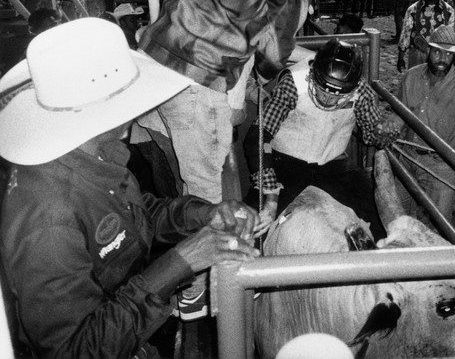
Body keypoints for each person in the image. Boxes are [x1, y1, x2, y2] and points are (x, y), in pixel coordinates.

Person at [0, 18, 261, 357]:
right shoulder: (48, 218)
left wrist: (204, 213)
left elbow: (137, 211)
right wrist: (180, 262)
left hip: (130, 328)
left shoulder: (91, 152)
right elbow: (73, 352)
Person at [136, 0, 357, 205]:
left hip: (154, 57)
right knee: (206, 197)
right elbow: (275, 44)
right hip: (198, 77)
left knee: (178, 178)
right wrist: (270, 79)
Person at [244, 39, 398, 241]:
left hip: (332, 164)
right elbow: (258, 135)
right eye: (323, 90)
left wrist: (382, 132)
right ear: (314, 75)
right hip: (286, 163)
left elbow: (372, 135)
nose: (328, 100)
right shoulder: (294, 83)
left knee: (378, 218)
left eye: (337, 95)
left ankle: (385, 265)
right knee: (253, 226)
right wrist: (271, 196)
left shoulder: (361, 91)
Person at [397, 27, 455, 222]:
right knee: (400, 217)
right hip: (408, 156)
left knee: (439, 224)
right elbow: (399, 114)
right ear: (428, 51)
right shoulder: (410, 77)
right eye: (437, 51)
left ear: (454, 56)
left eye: (448, 53)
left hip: (442, 164)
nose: (442, 58)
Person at [396, 0, 455, 71]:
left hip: (440, 54)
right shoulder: (413, 10)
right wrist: (401, 58)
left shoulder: (449, 11)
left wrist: (454, 59)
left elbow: (453, 36)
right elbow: (405, 35)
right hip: (418, 52)